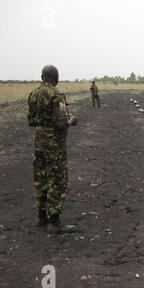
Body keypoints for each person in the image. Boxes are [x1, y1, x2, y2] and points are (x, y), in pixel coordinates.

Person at [27, 65, 78, 233]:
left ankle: (41, 216)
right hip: (54, 143)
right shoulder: (56, 95)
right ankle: (54, 221)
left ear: (43, 77)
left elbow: (31, 120)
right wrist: (72, 121)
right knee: (57, 178)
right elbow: (61, 124)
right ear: (55, 78)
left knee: (41, 177)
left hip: (39, 141)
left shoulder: (34, 94)